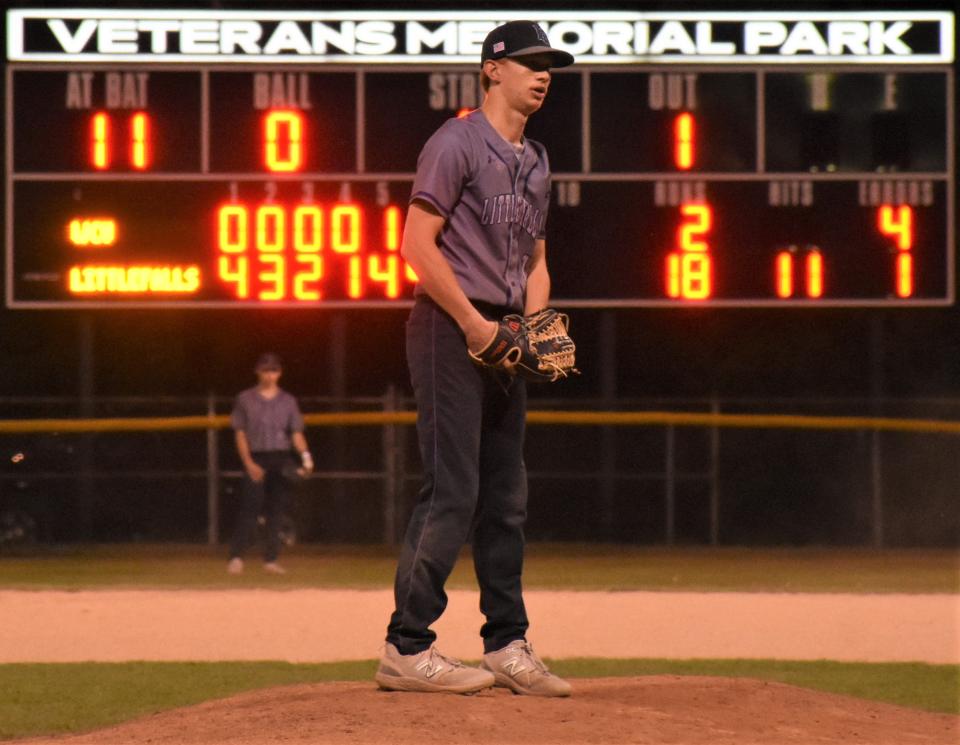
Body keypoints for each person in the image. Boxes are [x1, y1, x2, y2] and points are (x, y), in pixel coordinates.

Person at [374, 21, 573, 697]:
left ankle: (507, 644)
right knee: (453, 490)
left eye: (550, 65)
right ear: (492, 70)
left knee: (506, 497)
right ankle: (406, 646)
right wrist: (471, 322)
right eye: (529, 62)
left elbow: (537, 260)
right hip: (447, 324)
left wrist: (535, 323)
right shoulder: (456, 141)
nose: (543, 73)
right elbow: (416, 245)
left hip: (505, 331)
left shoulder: (538, 158)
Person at [227, 353, 313, 575]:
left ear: (280, 373)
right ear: (258, 372)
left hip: (280, 457)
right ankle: (236, 557)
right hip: (256, 457)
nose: (270, 374)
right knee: (250, 508)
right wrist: (248, 463)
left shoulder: (288, 401)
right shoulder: (245, 398)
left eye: (274, 370)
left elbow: (296, 433)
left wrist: (305, 457)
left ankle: (271, 560)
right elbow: (240, 433)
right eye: (266, 370)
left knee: (276, 510)